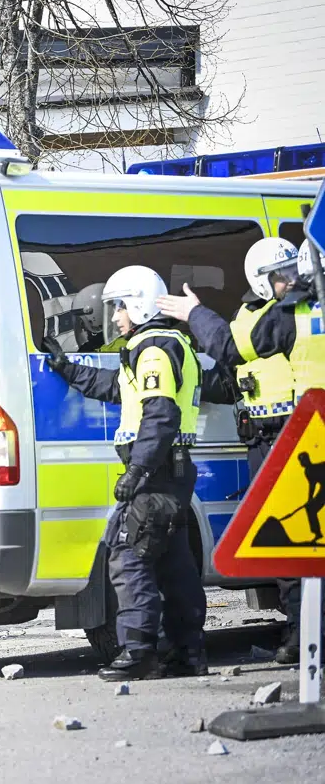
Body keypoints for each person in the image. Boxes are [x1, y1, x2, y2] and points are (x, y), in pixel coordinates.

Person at [157, 236, 323, 663]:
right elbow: (236, 374)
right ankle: (302, 634)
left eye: (292, 271)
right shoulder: (278, 313)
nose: (289, 280)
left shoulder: (288, 315)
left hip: (294, 440)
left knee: (292, 543)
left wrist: (194, 313)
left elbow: (230, 346)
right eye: (281, 274)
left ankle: (306, 637)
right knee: (294, 544)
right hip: (283, 437)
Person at [43, 265, 207, 681]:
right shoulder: (164, 345)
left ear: (140, 305)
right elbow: (117, 387)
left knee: (127, 556)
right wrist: (67, 369)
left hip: (155, 472)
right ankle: (187, 653)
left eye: (119, 307)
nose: (115, 317)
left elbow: (160, 415)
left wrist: (136, 471)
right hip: (169, 472)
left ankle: (138, 652)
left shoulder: (153, 350)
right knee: (173, 564)